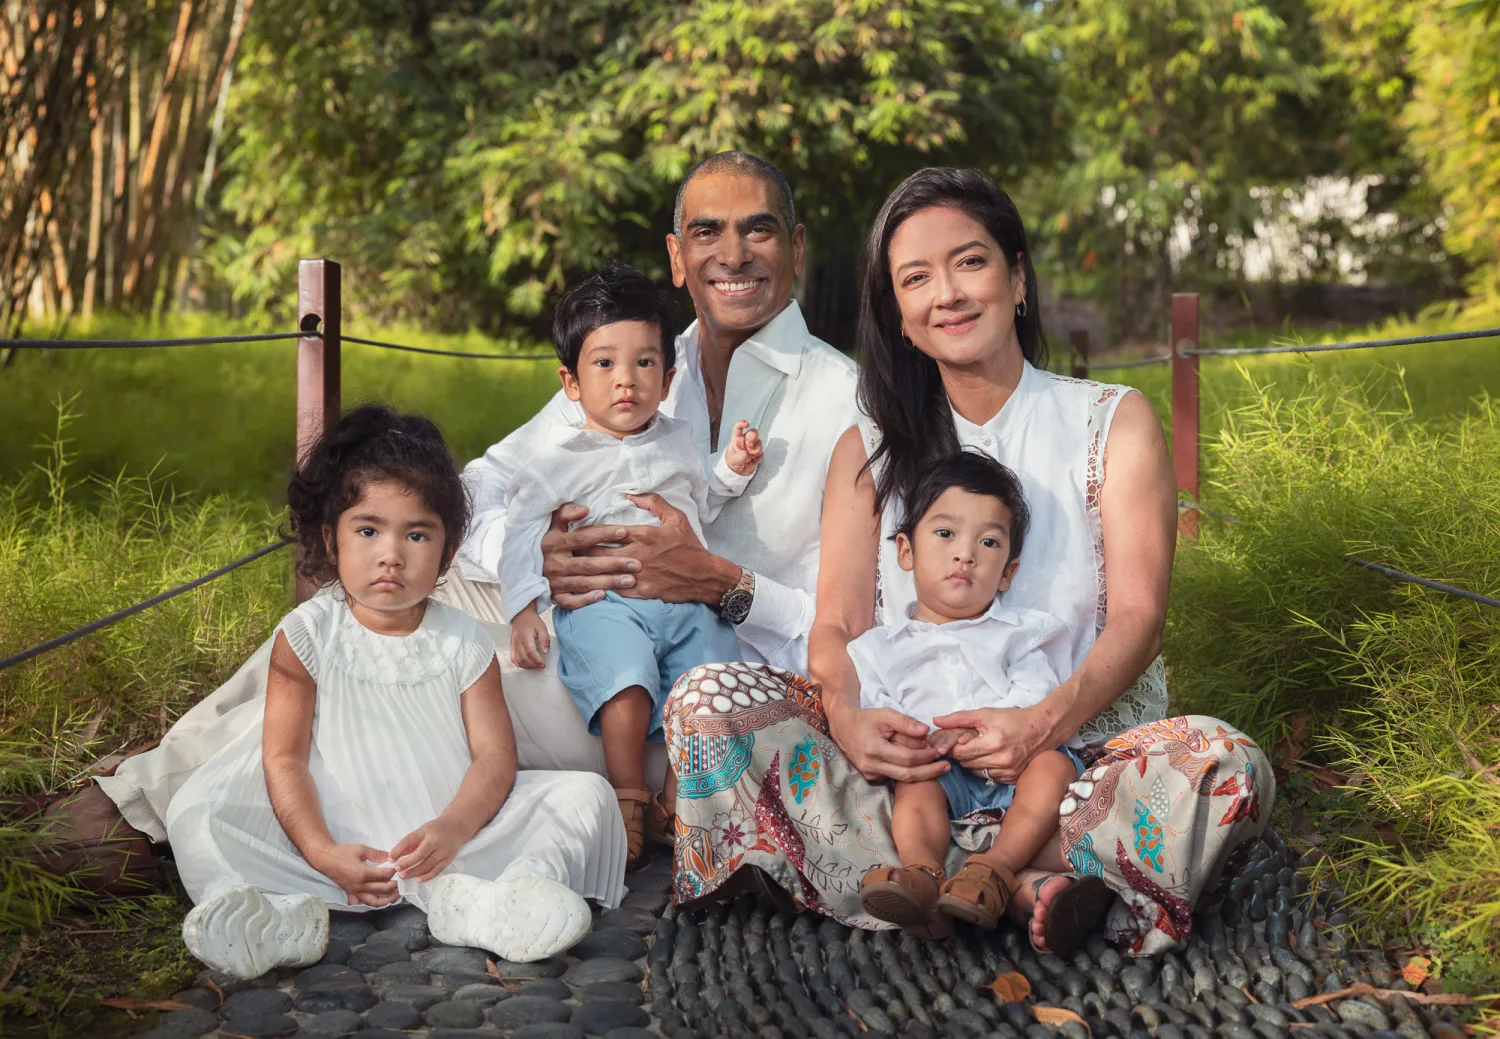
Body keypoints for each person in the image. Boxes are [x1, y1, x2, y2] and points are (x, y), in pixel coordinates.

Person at [72, 151, 858, 891]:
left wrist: (727, 584)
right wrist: (543, 555)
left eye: (757, 228)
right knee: (370, 607)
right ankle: (160, 790)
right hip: (586, 639)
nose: (734, 252)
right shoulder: (634, 355)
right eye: (706, 231)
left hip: (696, 707)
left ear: (793, 245)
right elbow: (477, 489)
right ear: (677, 255)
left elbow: (869, 621)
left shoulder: (844, 400)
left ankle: (148, 812)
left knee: (394, 638)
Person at [663, 167, 1272, 956]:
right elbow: (838, 624)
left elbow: (1139, 620)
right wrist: (847, 717)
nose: (945, 293)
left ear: (1017, 277)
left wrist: (1039, 725)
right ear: (901, 316)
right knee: (707, 702)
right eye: (916, 278)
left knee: (1227, 768)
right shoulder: (870, 449)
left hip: (1075, 764)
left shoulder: (1111, 422)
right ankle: (1018, 881)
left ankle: (938, 873)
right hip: (905, 769)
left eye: (970, 262)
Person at [166, 406, 625, 979]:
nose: (392, 554)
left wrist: (454, 829)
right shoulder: (307, 634)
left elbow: (494, 756)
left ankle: (482, 901)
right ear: (331, 541)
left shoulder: (461, 639)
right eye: (368, 530)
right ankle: (274, 915)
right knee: (199, 808)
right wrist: (319, 849)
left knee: (586, 797)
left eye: (416, 534)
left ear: (448, 554)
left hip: (445, 842)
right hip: (330, 831)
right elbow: (282, 756)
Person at [502, 261, 763, 862]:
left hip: (688, 605)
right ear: (570, 382)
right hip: (606, 604)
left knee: (709, 681)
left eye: (645, 363)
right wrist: (521, 608)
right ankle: (627, 798)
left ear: (669, 377)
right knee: (627, 686)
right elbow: (521, 532)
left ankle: (681, 801)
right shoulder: (557, 460)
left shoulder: (678, 440)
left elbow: (701, 498)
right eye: (604, 364)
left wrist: (733, 470)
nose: (627, 380)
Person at [853, 451, 1107, 947]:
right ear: (905, 551)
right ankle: (923, 875)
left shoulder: (1018, 634)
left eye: (987, 542)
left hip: (1015, 776)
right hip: (940, 779)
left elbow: (1036, 698)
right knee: (915, 789)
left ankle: (994, 870)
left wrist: (1000, 727)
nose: (965, 554)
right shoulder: (879, 648)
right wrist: (909, 744)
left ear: (1008, 572)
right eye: (945, 534)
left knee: (1054, 767)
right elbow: (876, 717)